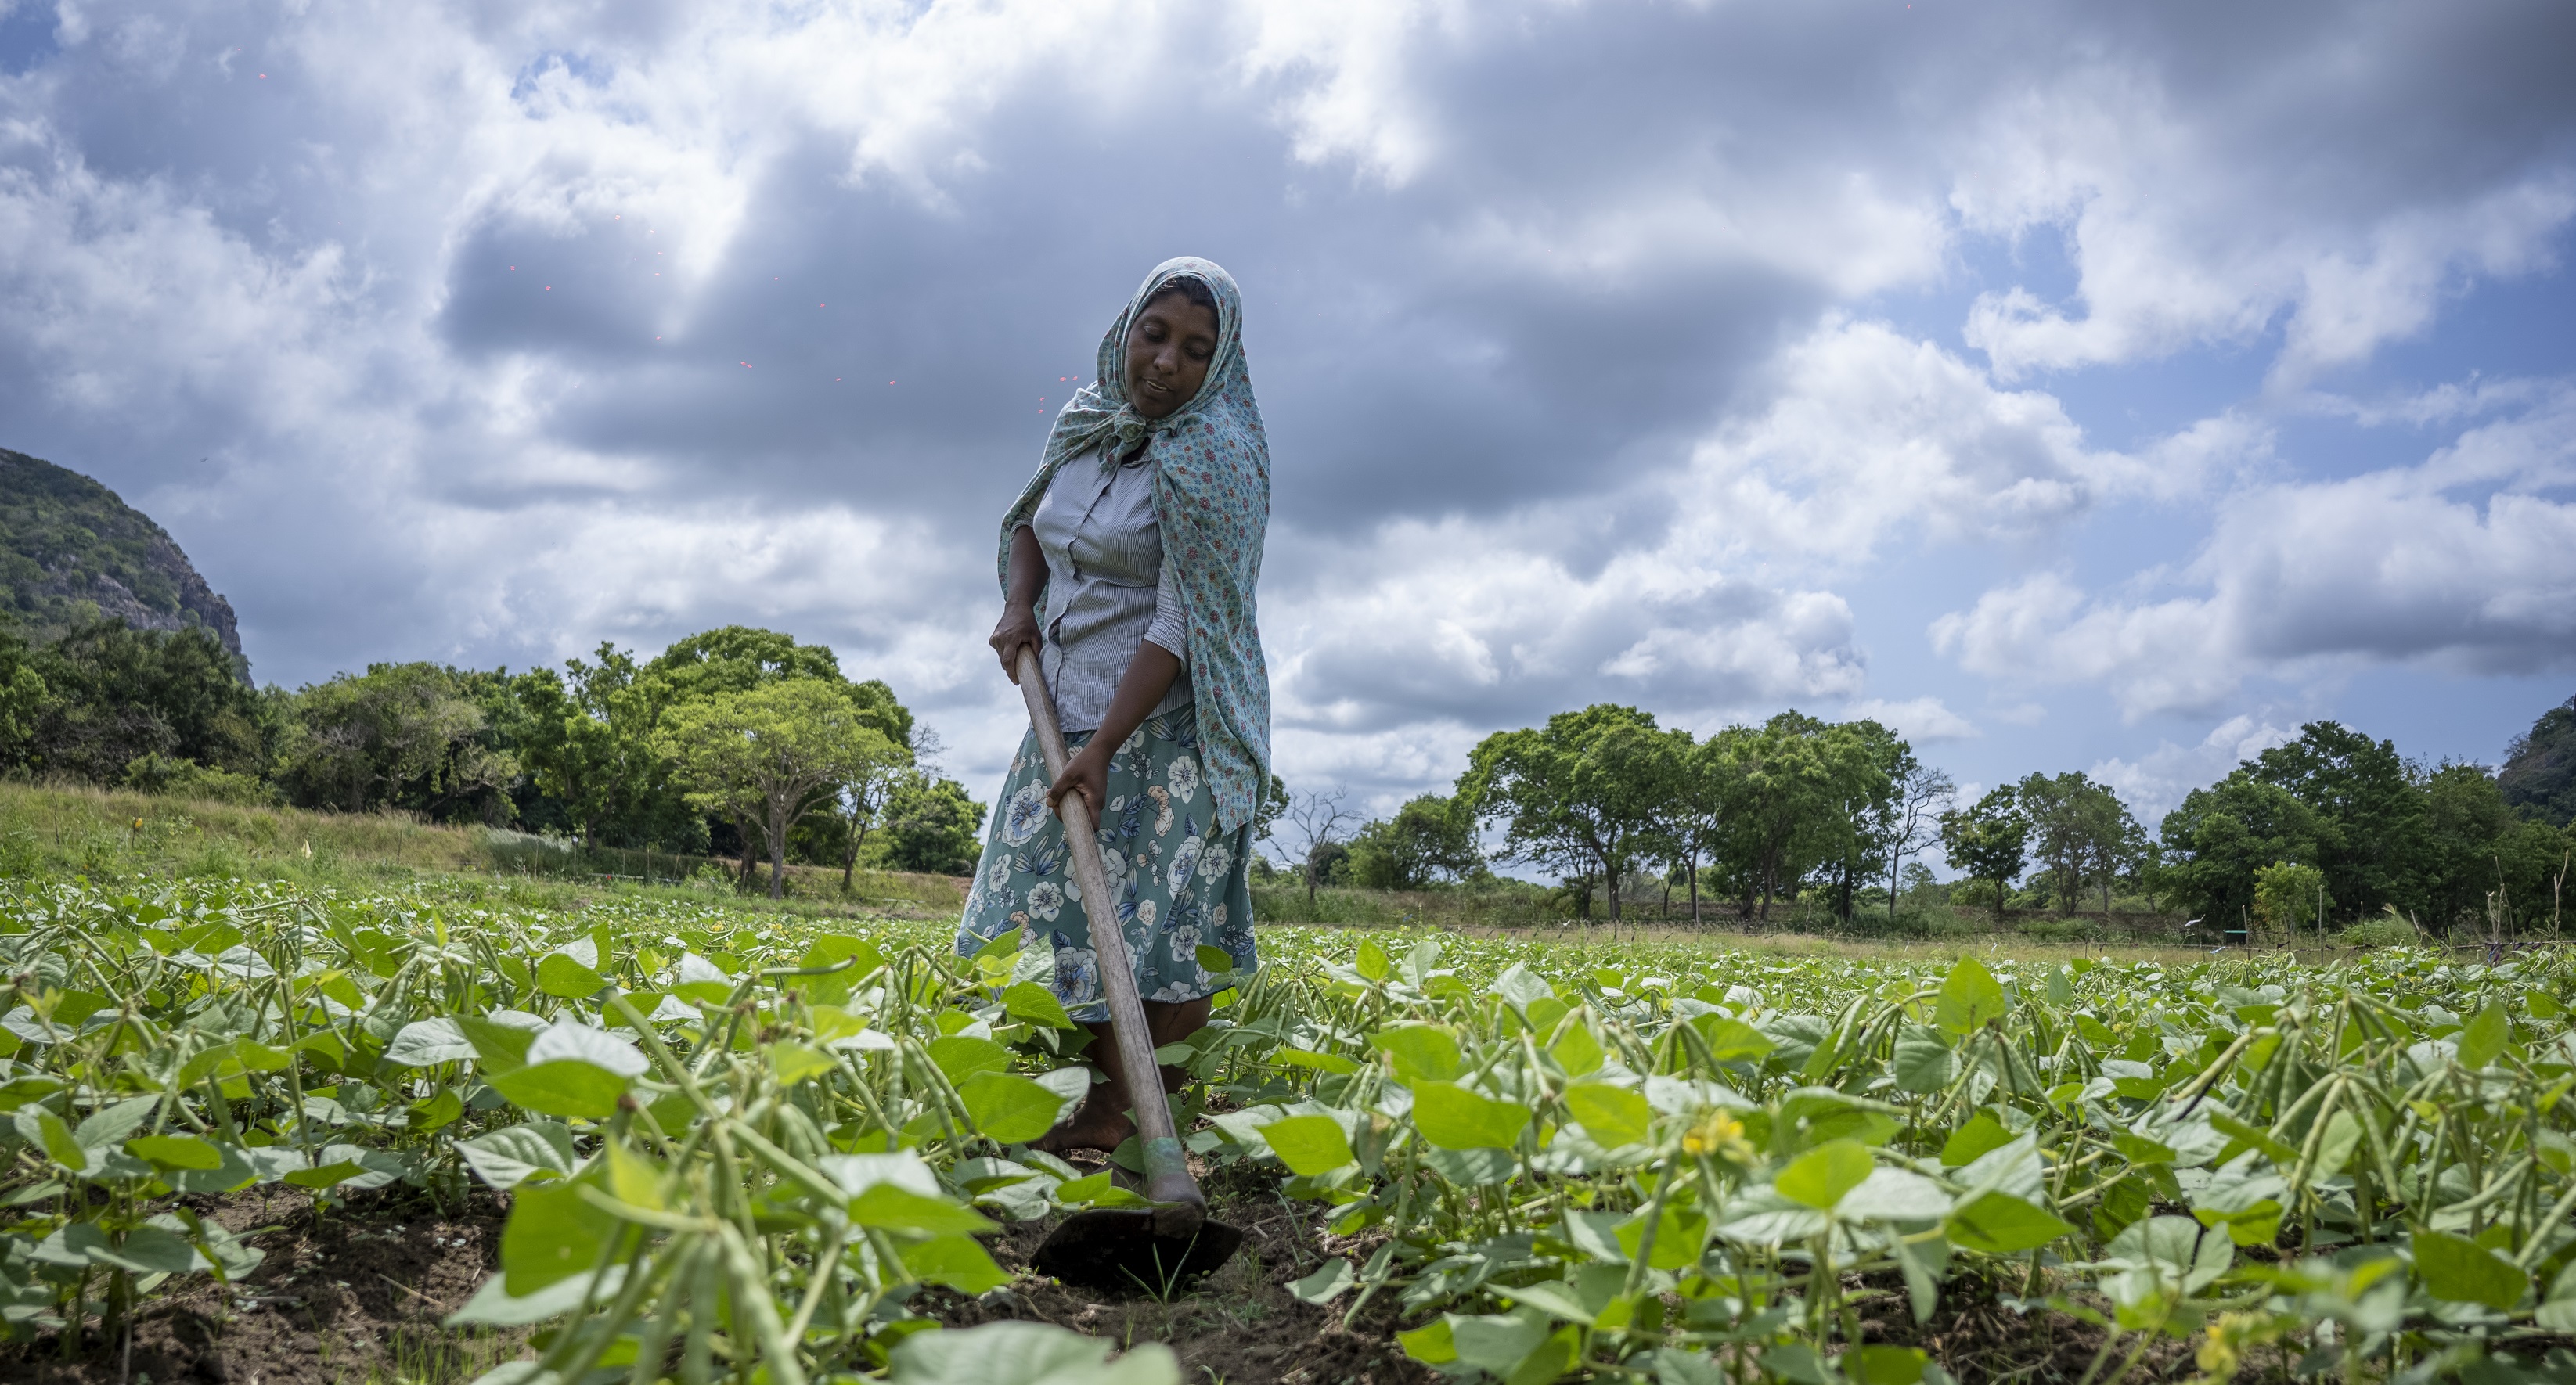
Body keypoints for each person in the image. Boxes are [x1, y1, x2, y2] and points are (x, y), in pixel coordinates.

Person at [955, 257, 1271, 1153]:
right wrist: (1020, 604)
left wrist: (1104, 750)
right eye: (1155, 335)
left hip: (1171, 729)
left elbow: (1179, 624)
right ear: (1125, 332)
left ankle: (1128, 1118)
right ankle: (1086, 1100)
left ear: (1222, 366)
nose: (1167, 361)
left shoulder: (1220, 460)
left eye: (1196, 350)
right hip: (1061, 708)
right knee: (1051, 906)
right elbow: (1030, 519)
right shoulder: (1087, 422)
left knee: (1152, 923)